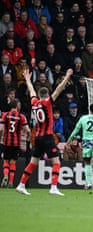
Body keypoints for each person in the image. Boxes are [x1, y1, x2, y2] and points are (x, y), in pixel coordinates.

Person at [16, 68, 73, 196]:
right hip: (47, 137)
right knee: (56, 162)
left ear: (39, 95)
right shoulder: (47, 103)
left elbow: (31, 92)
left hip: (37, 137)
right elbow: (58, 89)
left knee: (33, 162)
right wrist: (67, 77)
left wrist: (27, 79)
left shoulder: (34, 102)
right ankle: (53, 187)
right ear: (47, 95)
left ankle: (21, 184)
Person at [0, 99, 30, 188]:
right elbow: (28, 130)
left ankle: (5, 176)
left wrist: (0, 138)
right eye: (19, 104)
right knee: (13, 162)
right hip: (16, 143)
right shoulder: (21, 116)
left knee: (6, 160)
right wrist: (28, 138)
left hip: (6, 141)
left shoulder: (5, 115)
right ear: (17, 105)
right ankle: (11, 182)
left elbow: (1, 129)